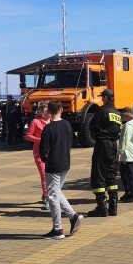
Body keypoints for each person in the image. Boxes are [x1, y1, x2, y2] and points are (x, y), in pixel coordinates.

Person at [40, 100, 83, 239]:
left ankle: (58, 229)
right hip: (65, 163)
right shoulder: (67, 125)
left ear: (48, 112)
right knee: (57, 192)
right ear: (61, 110)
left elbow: (43, 150)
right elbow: (71, 141)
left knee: (52, 196)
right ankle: (73, 216)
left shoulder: (48, 128)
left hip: (53, 165)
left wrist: (46, 160)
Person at [87, 89, 122, 217]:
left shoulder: (102, 110)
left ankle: (102, 208)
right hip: (113, 145)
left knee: (99, 174)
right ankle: (113, 208)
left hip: (102, 144)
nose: (102, 99)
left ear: (107, 97)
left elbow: (93, 127)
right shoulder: (117, 112)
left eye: (103, 97)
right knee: (111, 174)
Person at [25, 101, 51, 208]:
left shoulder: (52, 120)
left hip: (51, 152)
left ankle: (47, 193)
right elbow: (28, 136)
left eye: (48, 111)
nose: (47, 113)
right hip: (39, 152)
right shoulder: (35, 122)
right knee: (44, 175)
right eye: (45, 111)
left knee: (51, 176)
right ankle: (46, 197)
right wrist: (39, 140)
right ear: (41, 111)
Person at [118, 107, 133, 203]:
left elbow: (124, 140)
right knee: (124, 174)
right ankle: (128, 192)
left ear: (127, 116)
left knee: (129, 174)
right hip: (131, 154)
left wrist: (119, 152)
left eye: (122, 115)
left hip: (128, 155)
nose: (121, 117)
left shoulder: (128, 126)